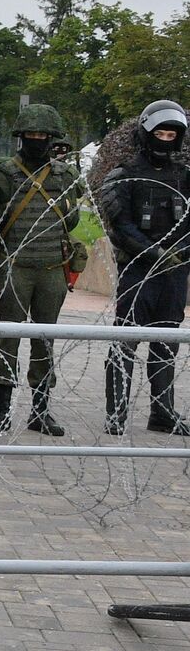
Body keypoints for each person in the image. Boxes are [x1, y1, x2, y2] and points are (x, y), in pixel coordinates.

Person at [0, 103, 82, 436]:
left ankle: (40, 410)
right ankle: (1, 409)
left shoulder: (66, 176)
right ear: (21, 137)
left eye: (43, 135)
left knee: (45, 340)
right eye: (31, 135)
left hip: (52, 268)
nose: (37, 140)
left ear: (53, 138)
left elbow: (72, 220)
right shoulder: (2, 174)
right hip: (15, 266)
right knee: (8, 338)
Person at [100, 100, 190, 435]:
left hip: (175, 271)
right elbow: (121, 226)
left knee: (166, 340)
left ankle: (162, 412)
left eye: (171, 134)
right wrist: (154, 253)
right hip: (138, 269)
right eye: (160, 132)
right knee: (126, 339)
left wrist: (178, 252)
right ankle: (117, 412)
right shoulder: (123, 175)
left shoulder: (184, 176)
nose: (165, 139)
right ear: (146, 133)